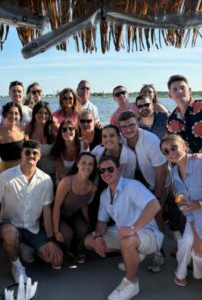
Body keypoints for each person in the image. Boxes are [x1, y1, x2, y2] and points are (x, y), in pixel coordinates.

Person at [84, 156, 163, 300]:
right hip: (125, 233)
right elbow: (101, 222)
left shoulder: (132, 185)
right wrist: (98, 237)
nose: (106, 173)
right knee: (89, 240)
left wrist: (133, 229)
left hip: (148, 233)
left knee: (128, 240)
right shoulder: (104, 195)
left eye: (110, 169)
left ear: (119, 170)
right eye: (102, 170)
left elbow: (155, 205)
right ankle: (133, 255)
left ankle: (131, 283)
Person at [0, 140, 63, 283]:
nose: (31, 156)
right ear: (21, 153)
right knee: (10, 233)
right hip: (9, 225)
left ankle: (25, 247)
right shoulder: (6, 176)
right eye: (27, 152)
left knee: (56, 260)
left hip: (32, 228)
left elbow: (47, 211)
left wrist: (51, 240)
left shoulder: (46, 180)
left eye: (35, 153)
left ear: (39, 157)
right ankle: (17, 267)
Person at [118, 111, 167, 272]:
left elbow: (161, 172)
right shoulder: (121, 139)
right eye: (123, 126)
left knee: (156, 214)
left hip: (157, 182)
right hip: (137, 180)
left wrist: (157, 196)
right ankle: (139, 250)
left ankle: (160, 253)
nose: (128, 129)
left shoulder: (151, 140)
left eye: (131, 125)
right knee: (133, 213)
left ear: (138, 122)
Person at [160, 134, 202, 287]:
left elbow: (194, 205)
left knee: (198, 255)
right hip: (194, 218)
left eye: (174, 147)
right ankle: (180, 272)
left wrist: (199, 204)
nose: (171, 153)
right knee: (186, 241)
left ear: (184, 146)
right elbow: (184, 207)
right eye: (166, 152)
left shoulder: (200, 162)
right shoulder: (173, 176)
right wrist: (195, 236)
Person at [53, 152, 97, 263]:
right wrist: (56, 231)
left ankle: (75, 251)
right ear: (77, 164)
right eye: (83, 163)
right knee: (67, 234)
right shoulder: (67, 182)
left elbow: (83, 204)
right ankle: (62, 254)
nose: (86, 166)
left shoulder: (92, 187)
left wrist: (87, 221)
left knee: (83, 228)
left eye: (90, 164)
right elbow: (56, 207)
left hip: (73, 214)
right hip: (59, 214)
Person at [167, 74, 202, 153]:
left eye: (182, 88)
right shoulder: (171, 120)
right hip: (188, 163)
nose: (179, 91)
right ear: (170, 95)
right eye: (175, 90)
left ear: (189, 90)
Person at [0, 102, 25, 176]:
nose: (13, 116)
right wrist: (1, 176)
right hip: (6, 172)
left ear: (20, 116)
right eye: (10, 113)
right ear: (5, 114)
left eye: (16, 113)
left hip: (23, 171)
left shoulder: (22, 130)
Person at [25, 101, 58, 179]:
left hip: (53, 172)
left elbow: (61, 152)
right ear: (34, 114)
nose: (43, 116)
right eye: (40, 112)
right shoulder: (29, 128)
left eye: (46, 113)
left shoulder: (53, 128)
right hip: (34, 174)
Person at [50, 119, 88, 184]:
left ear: (75, 130)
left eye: (71, 129)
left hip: (79, 178)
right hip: (63, 180)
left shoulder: (83, 144)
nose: (68, 131)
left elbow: (85, 167)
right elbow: (60, 173)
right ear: (61, 133)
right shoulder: (57, 147)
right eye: (64, 129)